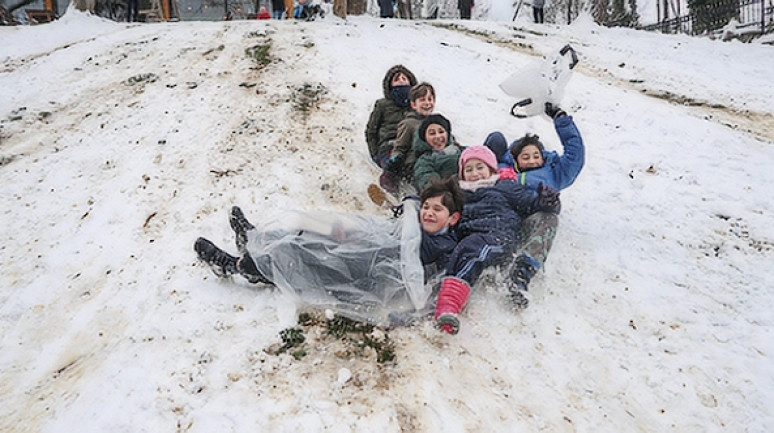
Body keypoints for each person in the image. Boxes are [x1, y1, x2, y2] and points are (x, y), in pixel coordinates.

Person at [193, 178, 463, 325]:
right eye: (426, 206)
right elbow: (387, 233)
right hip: (365, 251)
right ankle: (254, 238)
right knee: (314, 227)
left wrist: (409, 315)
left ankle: (237, 265)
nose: (428, 213)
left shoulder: (446, 248)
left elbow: (436, 288)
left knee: (300, 257)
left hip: (366, 277)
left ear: (452, 218)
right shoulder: (413, 225)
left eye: (437, 210)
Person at [433, 146, 560, 334]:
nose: (475, 173)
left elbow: (531, 203)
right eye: (469, 169)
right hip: (467, 237)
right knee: (463, 250)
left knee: (476, 249)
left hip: (498, 236)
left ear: (492, 169)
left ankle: (519, 275)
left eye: (480, 167)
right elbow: (434, 202)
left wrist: (547, 201)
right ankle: (446, 308)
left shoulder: (505, 186)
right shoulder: (456, 194)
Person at [483, 103, 584, 308]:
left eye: (536, 156)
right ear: (515, 159)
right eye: (525, 157)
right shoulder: (503, 169)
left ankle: (521, 274)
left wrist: (561, 120)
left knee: (549, 219)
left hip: (531, 220)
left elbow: (575, 155)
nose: (531, 160)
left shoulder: (554, 173)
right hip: (502, 218)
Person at [380, 82, 436, 193]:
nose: (427, 103)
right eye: (422, 100)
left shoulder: (437, 123)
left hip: (434, 162)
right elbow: (400, 147)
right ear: (414, 105)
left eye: (430, 99)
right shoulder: (408, 124)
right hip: (414, 165)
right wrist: (395, 159)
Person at [365, 65, 418, 167]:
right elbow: (371, 130)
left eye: (404, 78)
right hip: (389, 145)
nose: (401, 81)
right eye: (397, 79)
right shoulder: (383, 104)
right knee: (393, 166)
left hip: (411, 145)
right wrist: (374, 153)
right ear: (390, 85)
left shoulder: (417, 105)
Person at [411, 113, 463, 192]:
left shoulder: (462, 152)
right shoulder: (425, 161)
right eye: (432, 133)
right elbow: (431, 186)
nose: (438, 136)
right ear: (425, 138)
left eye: (441, 131)